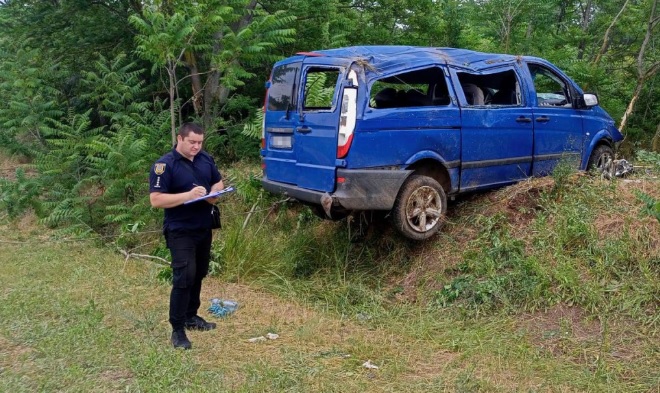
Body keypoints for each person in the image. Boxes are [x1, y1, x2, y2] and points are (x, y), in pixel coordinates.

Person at [149, 122, 224, 350]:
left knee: (199, 272)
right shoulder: (164, 165)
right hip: (180, 229)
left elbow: (217, 181)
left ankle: (192, 316)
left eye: (200, 143)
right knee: (184, 277)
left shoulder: (205, 159)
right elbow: (156, 200)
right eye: (192, 142)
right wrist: (188, 195)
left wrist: (213, 194)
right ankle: (178, 329)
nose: (196, 147)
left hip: (203, 227)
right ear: (180, 139)